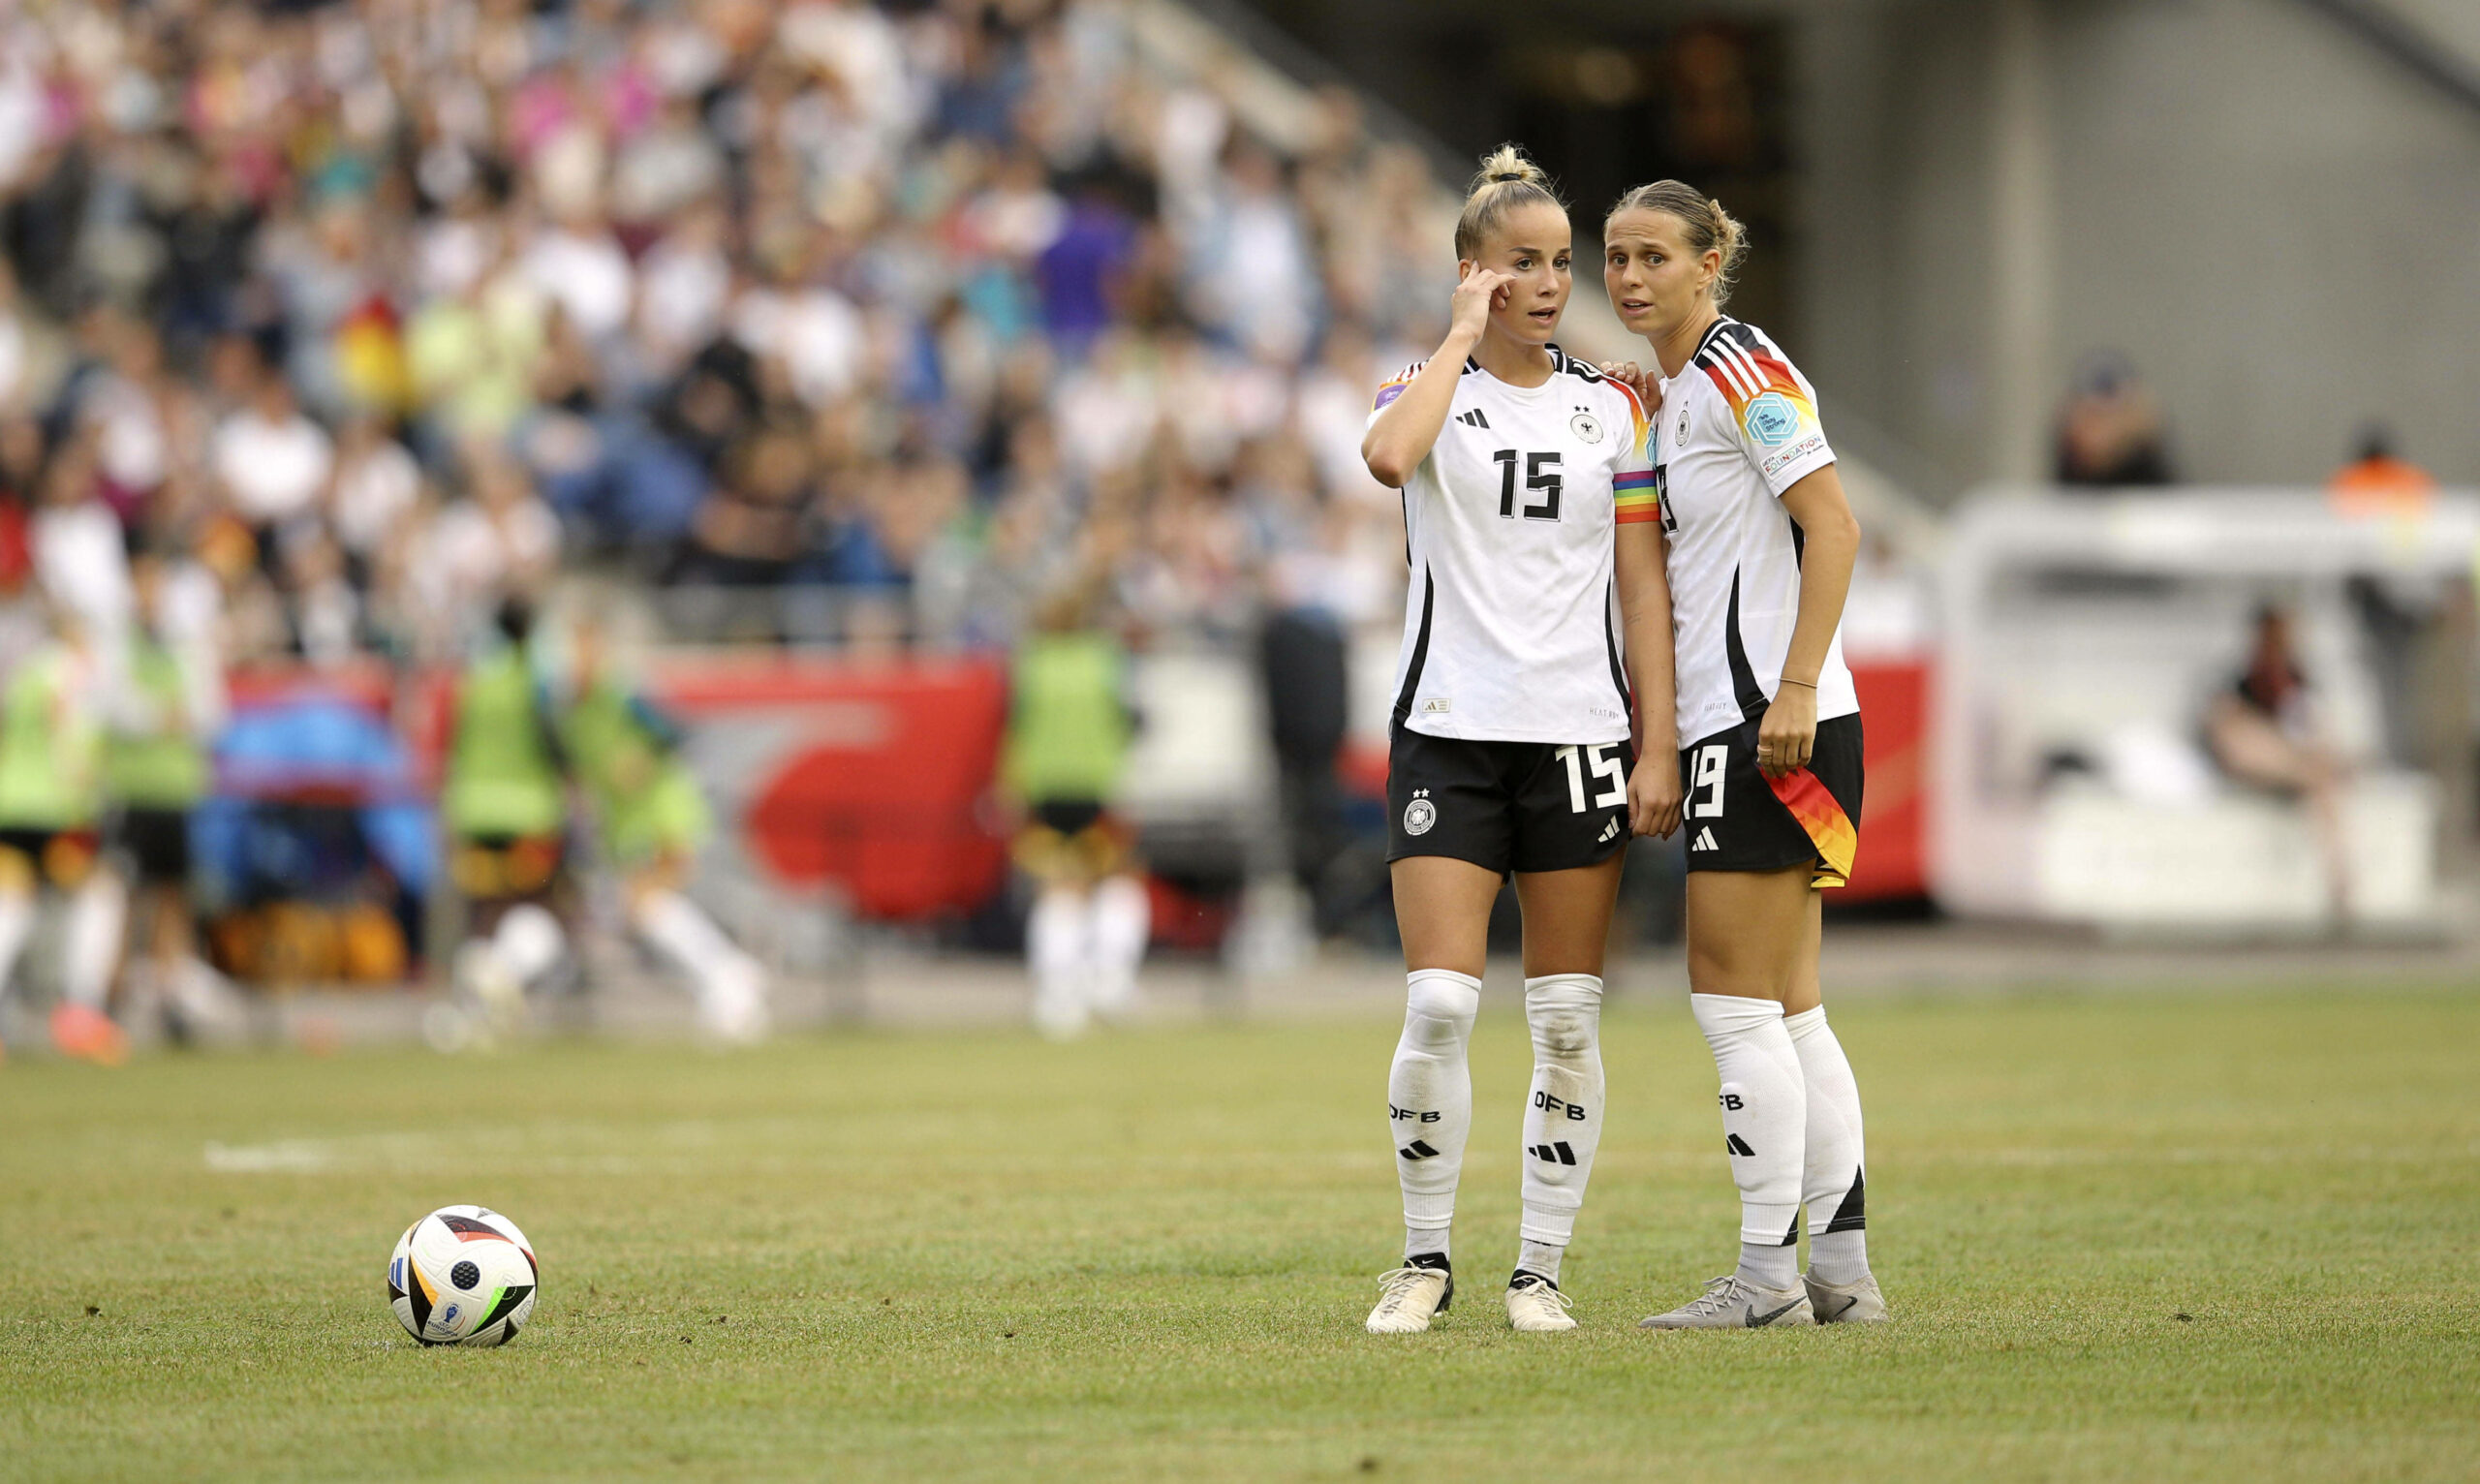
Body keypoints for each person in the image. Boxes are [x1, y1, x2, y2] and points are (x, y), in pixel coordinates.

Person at [1356, 146, 1682, 1336]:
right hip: (1447, 731)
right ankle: (1422, 1257)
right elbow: (1389, 461)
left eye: (1559, 263)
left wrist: (1655, 744)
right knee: (1440, 1002)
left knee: (1563, 1015)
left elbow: (1641, 590)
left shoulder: (1612, 407)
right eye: (1521, 264)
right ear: (1471, 272)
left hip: (1578, 736)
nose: (1548, 283)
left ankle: (1538, 1268)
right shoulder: (1421, 386)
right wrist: (1454, 338)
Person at [1601, 180, 1883, 1327]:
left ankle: (1766, 1276)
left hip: (1770, 721)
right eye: (1615, 256)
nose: (1627, 276)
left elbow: (1834, 522)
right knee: (1790, 1007)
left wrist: (1798, 685)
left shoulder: (1739, 365)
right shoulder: (1676, 393)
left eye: (1654, 256)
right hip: (1762, 717)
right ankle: (1841, 1272)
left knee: (1729, 1003)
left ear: (1710, 259)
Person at [555, 603, 768, 1043]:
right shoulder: (571, 709)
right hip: (626, 825)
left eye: (586, 642)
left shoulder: (621, 690)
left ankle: (728, 979)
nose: (579, 653)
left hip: (662, 814)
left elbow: (676, 732)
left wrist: (643, 760)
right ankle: (727, 979)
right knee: (636, 915)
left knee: (646, 907)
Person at [1001, 582, 1151, 1041]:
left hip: (1044, 786)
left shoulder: (1032, 661)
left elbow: (1016, 723)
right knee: (1119, 877)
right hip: (1097, 783)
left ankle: (1056, 994)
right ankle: (1109, 977)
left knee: (1056, 885)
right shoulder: (1105, 658)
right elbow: (1129, 720)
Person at [103, 554, 231, 1042]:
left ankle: (170, 1000)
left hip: (178, 791)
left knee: (174, 899)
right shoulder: (119, 643)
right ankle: (108, 1000)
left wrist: (159, 716)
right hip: (133, 791)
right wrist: (164, 715)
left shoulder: (183, 646)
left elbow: (210, 712)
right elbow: (118, 710)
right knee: (128, 900)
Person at [439, 599, 572, 1044]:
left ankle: (470, 1011)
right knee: (538, 912)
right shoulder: (532, 682)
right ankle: (499, 981)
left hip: (475, 811)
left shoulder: (475, 682)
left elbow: (454, 744)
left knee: (485, 917)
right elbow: (553, 742)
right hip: (529, 812)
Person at [0, 609, 128, 1064]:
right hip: (57, 809)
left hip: (11, 802)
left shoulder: (26, 670)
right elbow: (66, 727)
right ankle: (81, 1010)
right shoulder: (68, 670)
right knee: (101, 894)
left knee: (13, 906)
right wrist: (83, 785)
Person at [2205, 604, 2351, 924]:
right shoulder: (2241, 680)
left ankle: (2339, 876)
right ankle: (2339, 875)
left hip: (2291, 763)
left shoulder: (2297, 681)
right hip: (2257, 763)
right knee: (2254, 739)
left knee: (2321, 771)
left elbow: (2313, 727)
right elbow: (2227, 735)